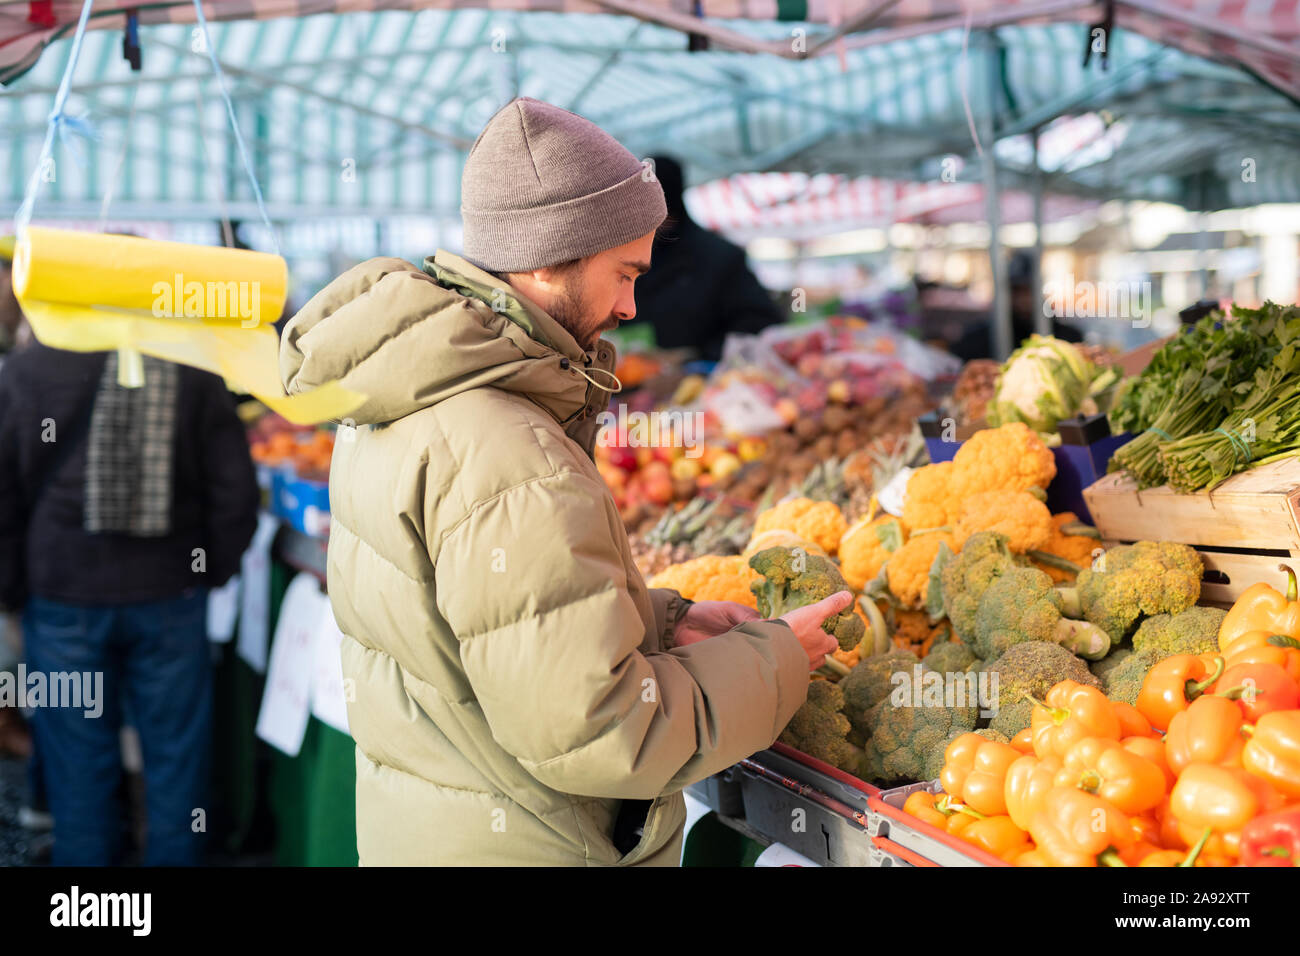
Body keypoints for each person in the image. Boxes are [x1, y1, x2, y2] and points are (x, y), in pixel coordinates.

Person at [279, 97, 850, 866]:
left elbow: (472, 630)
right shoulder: (512, 453)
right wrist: (775, 659)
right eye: (623, 272)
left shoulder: (394, 394)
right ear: (548, 257)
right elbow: (604, 731)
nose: (631, 305)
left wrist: (654, 624)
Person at [0, 340, 259, 865]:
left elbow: (4, 496)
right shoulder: (192, 363)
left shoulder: (28, 370)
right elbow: (235, 493)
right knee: (176, 761)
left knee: (76, 764)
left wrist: (13, 590)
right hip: (169, 595)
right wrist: (208, 570)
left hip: (62, 597)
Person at [630, 155, 785, 360]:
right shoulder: (630, 257)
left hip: (714, 383)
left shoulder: (720, 257)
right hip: (635, 385)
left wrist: (696, 355)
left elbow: (761, 322)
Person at [950, 251, 1083, 361]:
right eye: (1016, 291)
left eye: (1028, 290)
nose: (1022, 299)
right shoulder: (977, 340)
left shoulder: (1067, 338)